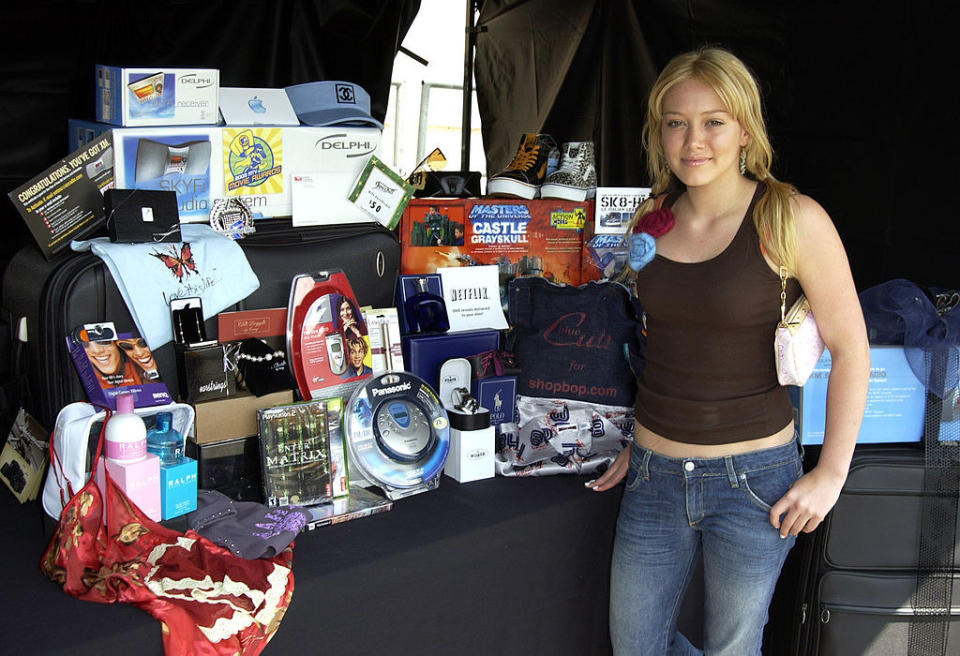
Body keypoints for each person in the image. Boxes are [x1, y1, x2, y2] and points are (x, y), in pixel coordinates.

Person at [586, 47, 870, 655]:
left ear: (745, 128)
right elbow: (657, 341)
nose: (694, 140)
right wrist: (638, 440)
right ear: (657, 131)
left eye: (714, 121)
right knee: (635, 647)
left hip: (754, 484)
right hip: (654, 477)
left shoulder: (790, 218)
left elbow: (853, 350)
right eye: (675, 122)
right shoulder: (650, 222)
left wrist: (831, 475)